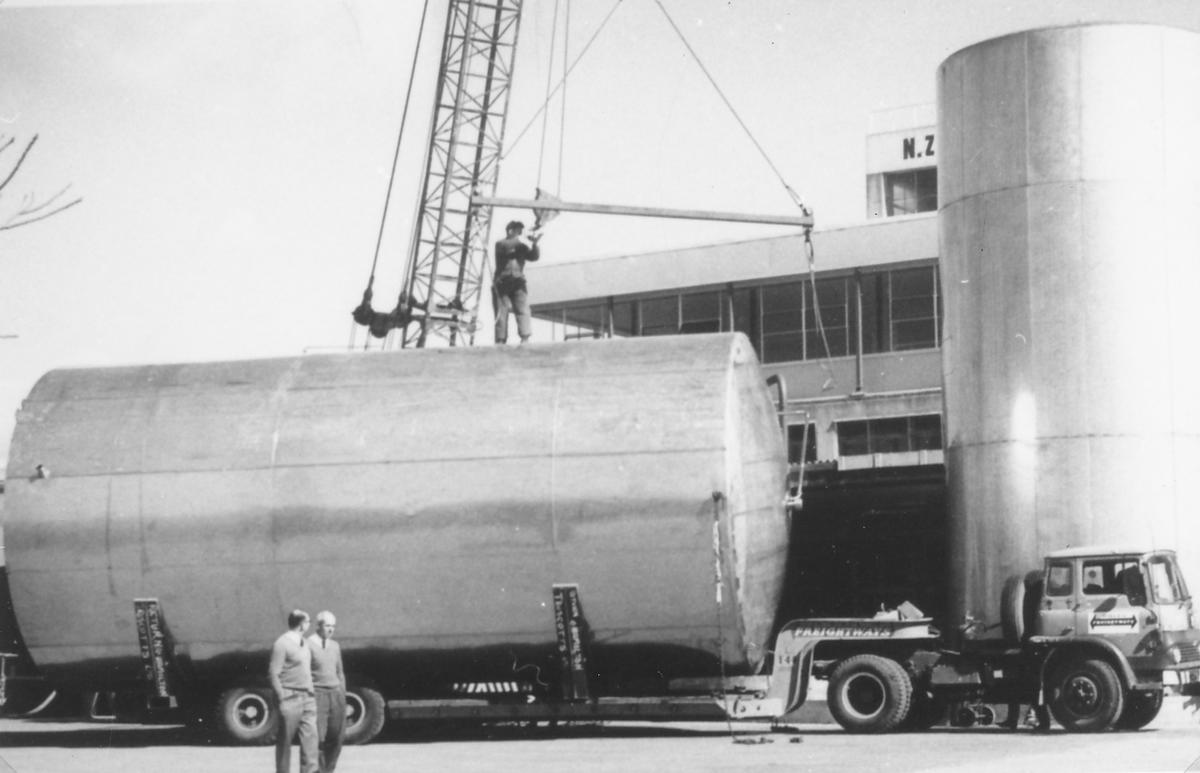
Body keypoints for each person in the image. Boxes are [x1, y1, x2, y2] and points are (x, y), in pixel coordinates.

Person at [269, 609, 318, 773]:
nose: (310, 625)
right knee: (285, 741)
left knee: (310, 741)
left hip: (308, 698)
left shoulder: (305, 643)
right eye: (308, 622)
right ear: (302, 624)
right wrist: (282, 699)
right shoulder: (281, 644)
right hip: (290, 697)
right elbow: (273, 673)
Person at [307, 611, 346, 773]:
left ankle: (328, 770)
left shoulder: (335, 646)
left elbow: (340, 672)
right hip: (317, 695)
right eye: (327, 626)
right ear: (318, 626)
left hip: (336, 695)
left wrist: (342, 695)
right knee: (317, 739)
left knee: (336, 738)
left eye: (333, 626)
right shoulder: (307, 644)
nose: (331, 629)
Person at [493, 219, 541, 344]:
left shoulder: (521, 245)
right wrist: (527, 239)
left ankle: (525, 338)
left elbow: (534, 257)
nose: (520, 232)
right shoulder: (501, 244)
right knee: (501, 313)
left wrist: (535, 244)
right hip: (502, 282)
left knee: (522, 309)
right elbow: (510, 246)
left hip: (518, 281)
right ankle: (500, 340)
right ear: (510, 230)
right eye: (518, 230)